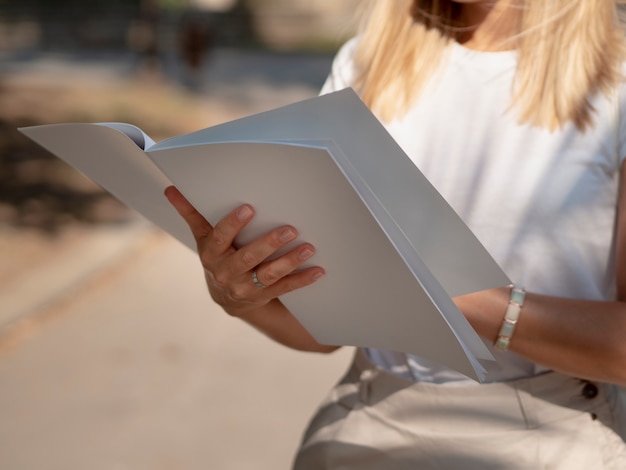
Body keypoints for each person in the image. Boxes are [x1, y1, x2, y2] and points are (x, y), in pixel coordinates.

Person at [164, 0, 626, 468]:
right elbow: (323, 334)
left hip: (552, 434)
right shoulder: (363, 63)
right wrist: (243, 297)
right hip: (372, 417)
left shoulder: (618, 84)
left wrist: (463, 300)